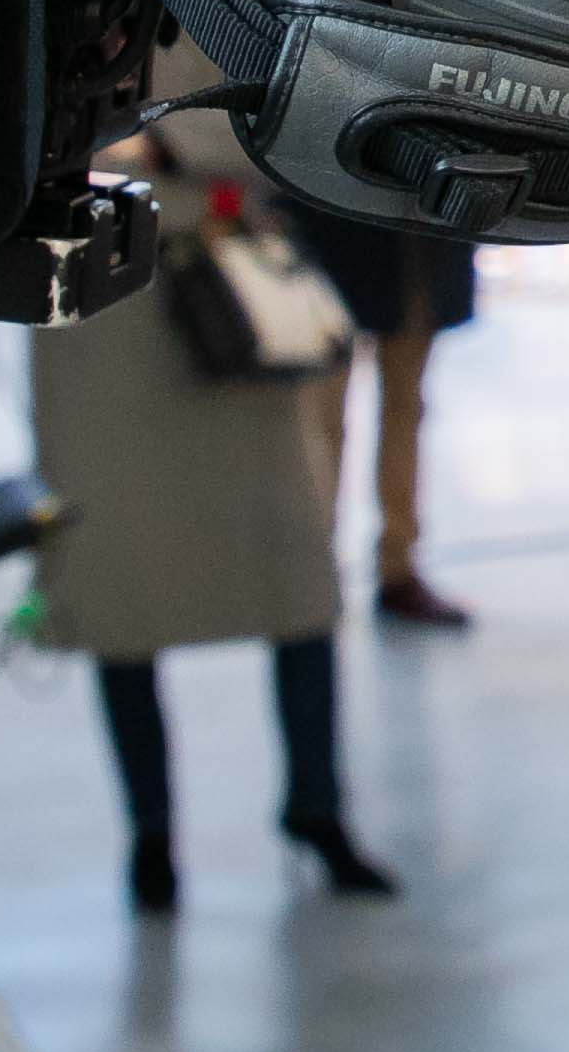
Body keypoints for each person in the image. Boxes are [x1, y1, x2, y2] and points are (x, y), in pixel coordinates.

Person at [33, 117, 399, 911]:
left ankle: (317, 807)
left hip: (228, 284)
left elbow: (286, 114)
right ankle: (152, 832)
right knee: (121, 580)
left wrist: (165, 146)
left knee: (297, 574)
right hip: (102, 302)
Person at [288, 207, 479, 631]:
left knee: (406, 409)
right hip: (334, 226)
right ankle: (318, 568)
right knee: (324, 419)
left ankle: (398, 567)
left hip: (424, 230)